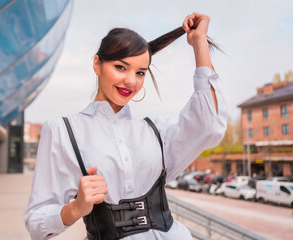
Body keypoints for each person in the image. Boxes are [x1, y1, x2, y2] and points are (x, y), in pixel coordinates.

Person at [24, 12, 228, 240]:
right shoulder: (63, 131)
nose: (131, 81)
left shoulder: (155, 131)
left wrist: (199, 44)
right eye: (121, 67)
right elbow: (36, 222)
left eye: (140, 72)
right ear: (97, 64)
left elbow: (210, 125)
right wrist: (75, 208)